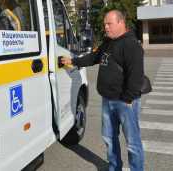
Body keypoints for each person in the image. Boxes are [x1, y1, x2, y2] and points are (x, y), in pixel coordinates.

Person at [61, 10, 144, 171]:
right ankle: (114, 168)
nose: (105, 27)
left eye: (109, 24)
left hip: (125, 103)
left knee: (133, 144)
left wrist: (128, 99)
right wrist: (73, 61)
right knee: (109, 139)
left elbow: (136, 76)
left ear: (121, 23)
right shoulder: (108, 42)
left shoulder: (131, 44)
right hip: (108, 100)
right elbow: (93, 58)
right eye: (105, 24)